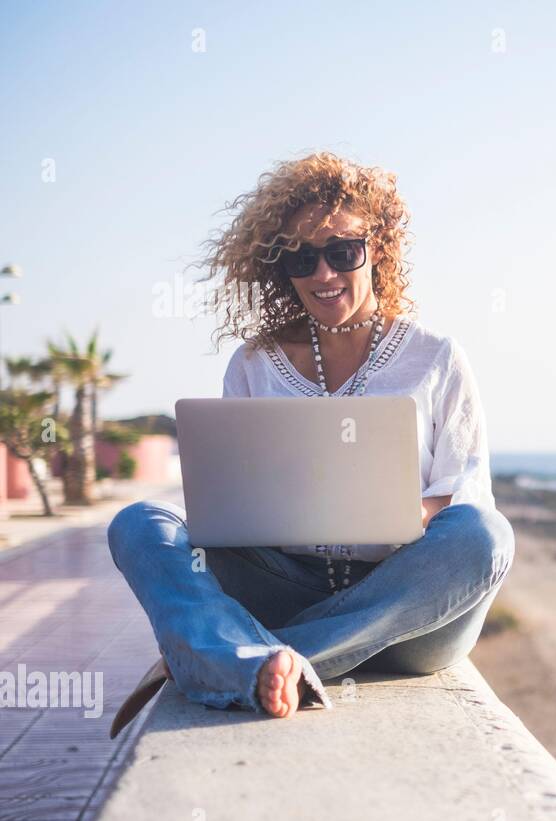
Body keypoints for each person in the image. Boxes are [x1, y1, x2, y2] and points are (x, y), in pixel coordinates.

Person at [106, 152, 514, 736]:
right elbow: (231, 502)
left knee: (485, 534)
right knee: (140, 524)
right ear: (281, 270)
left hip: (403, 612)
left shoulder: (436, 357)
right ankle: (264, 662)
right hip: (284, 586)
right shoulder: (253, 365)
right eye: (301, 258)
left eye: (342, 252)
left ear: (378, 247)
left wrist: (392, 514)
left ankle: (234, 658)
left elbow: (462, 495)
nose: (323, 274)